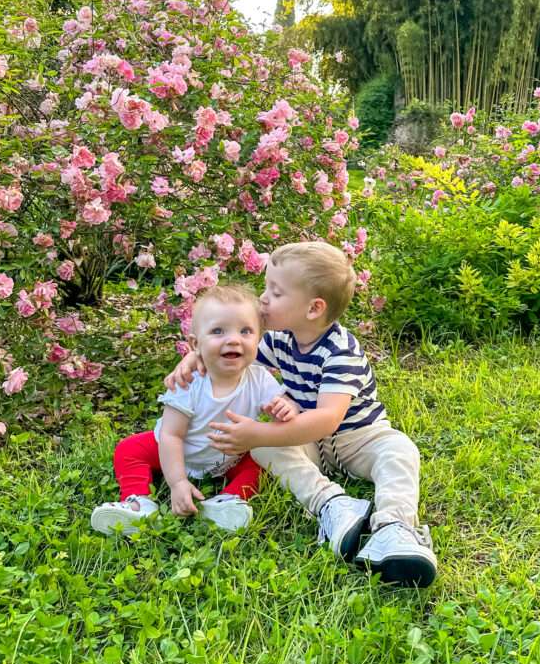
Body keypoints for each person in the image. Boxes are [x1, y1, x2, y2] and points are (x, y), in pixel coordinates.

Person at [166, 241, 437, 587]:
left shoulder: (341, 351)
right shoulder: (279, 338)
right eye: (266, 289)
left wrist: (258, 433)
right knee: (264, 450)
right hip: (307, 441)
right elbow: (237, 355)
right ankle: (334, 507)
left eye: (275, 293)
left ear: (313, 309)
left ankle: (394, 528)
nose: (263, 299)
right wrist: (196, 358)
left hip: (359, 437)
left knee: (398, 450)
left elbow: (327, 419)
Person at [91, 283, 296, 536]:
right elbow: (171, 435)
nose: (233, 339)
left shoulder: (259, 378)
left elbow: (283, 401)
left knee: (264, 460)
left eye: (245, 330)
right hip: (176, 453)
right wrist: (177, 483)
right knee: (129, 449)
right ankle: (139, 503)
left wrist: (285, 408)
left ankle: (227, 501)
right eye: (218, 331)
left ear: (259, 338)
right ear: (195, 344)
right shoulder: (188, 382)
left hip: (228, 458)